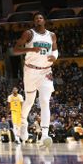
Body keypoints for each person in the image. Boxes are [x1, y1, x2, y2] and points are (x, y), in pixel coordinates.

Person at [11, 12, 58, 147]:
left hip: (46, 72)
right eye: (36, 18)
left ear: (44, 20)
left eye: (41, 17)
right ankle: (23, 121)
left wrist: (55, 57)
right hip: (30, 71)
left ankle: (45, 135)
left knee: (44, 101)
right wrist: (31, 49)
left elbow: (55, 50)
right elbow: (15, 50)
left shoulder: (51, 35)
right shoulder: (28, 34)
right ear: (34, 22)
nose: (39, 19)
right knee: (30, 101)